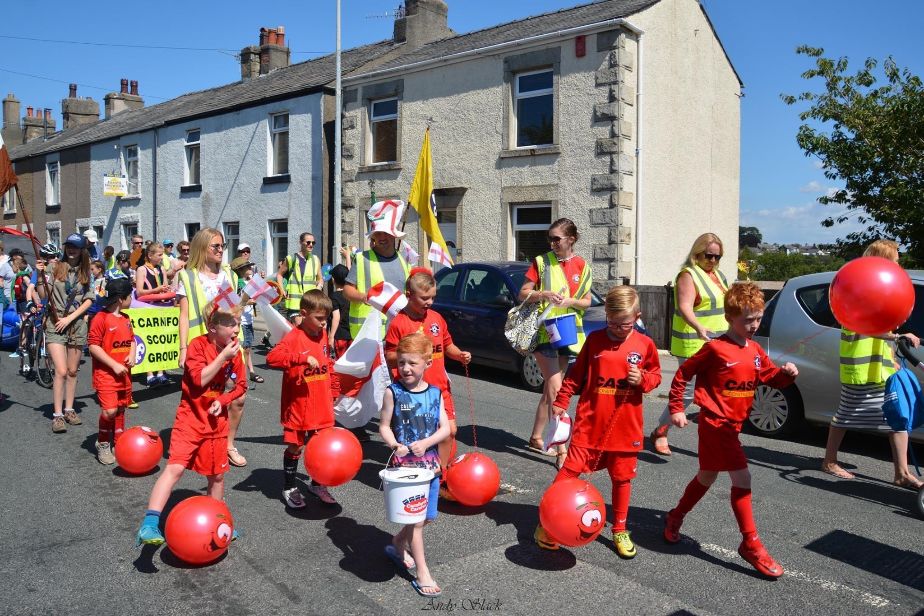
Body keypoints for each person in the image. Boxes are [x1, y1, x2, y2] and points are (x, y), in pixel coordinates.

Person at [663, 282, 798, 578]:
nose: (753, 325)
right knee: (743, 477)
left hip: (733, 426)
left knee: (707, 476)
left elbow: (770, 377)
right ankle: (750, 543)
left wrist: (786, 375)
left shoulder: (755, 349)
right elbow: (683, 374)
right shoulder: (715, 348)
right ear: (729, 318)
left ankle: (675, 516)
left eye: (758, 318)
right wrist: (676, 408)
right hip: (715, 424)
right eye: (747, 319)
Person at [533, 286, 661, 558]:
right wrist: (561, 401)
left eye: (624, 324)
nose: (616, 328)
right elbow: (575, 376)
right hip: (589, 426)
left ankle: (620, 529)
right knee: (568, 473)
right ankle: (549, 522)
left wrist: (644, 380)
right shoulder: (594, 342)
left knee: (622, 479)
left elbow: (656, 377)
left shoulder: (645, 345)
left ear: (637, 317)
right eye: (611, 322)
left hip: (626, 429)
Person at [135, 306, 246, 546]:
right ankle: (150, 525)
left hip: (216, 424)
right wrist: (222, 358)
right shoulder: (197, 346)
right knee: (175, 468)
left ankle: (218, 523)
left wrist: (223, 400)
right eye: (230, 324)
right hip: (191, 420)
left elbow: (241, 386)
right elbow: (198, 381)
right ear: (213, 328)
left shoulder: (236, 352)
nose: (236, 329)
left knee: (217, 476)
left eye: (237, 323)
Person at [821, 240, 922, 489]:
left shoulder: (882, 290)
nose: (899, 266)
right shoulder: (857, 289)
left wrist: (892, 359)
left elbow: (882, 328)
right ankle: (829, 461)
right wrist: (898, 336)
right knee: (846, 415)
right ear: (882, 261)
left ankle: (902, 473)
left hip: (880, 367)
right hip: (860, 368)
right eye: (896, 260)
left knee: (897, 418)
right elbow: (865, 328)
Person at [385, 268, 472, 498]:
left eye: (433, 297)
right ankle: (414, 476)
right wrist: (411, 353)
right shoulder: (399, 323)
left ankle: (441, 475)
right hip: (411, 392)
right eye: (424, 298)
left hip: (439, 388)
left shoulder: (436, 319)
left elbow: (447, 345)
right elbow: (389, 356)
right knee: (415, 437)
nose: (429, 302)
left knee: (450, 431)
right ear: (408, 294)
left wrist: (459, 354)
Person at [379, 332, 451, 598]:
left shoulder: (435, 393)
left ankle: (399, 542)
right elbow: (384, 426)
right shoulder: (393, 392)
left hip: (430, 467)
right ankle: (423, 573)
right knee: (417, 521)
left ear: (427, 363)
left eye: (412, 363)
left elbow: (445, 428)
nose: (405, 368)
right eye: (401, 363)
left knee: (427, 517)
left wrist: (427, 441)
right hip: (405, 471)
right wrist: (395, 444)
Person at [517, 217, 592, 470]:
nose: (552, 243)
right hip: (543, 332)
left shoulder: (583, 266)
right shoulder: (541, 262)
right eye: (550, 238)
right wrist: (543, 294)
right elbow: (523, 293)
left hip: (568, 332)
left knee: (551, 389)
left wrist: (570, 302)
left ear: (571, 239)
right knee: (558, 390)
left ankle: (537, 437)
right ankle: (562, 450)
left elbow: (587, 302)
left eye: (557, 238)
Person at [651, 232, 729, 456]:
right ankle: (661, 431)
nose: (713, 261)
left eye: (717, 257)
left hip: (717, 343)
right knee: (686, 394)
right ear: (697, 253)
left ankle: (714, 439)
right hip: (693, 342)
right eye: (709, 255)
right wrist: (698, 327)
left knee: (716, 394)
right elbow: (685, 307)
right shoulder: (688, 275)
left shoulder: (719, 276)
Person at [176, 228, 249, 467]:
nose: (220, 251)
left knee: (238, 396)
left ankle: (228, 444)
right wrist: (183, 349)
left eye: (222, 246)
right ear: (202, 248)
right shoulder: (187, 276)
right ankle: (199, 441)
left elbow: (232, 309)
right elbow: (184, 316)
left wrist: (248, 298)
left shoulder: (226, 274)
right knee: (201, 397)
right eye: (215, 246)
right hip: (201, 346)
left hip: (228, 345)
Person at [266, 289, 339, 507]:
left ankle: (317, 484)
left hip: (322, 404)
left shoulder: (323, 333)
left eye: (326, 318)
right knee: (296, 447)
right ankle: (289, 487)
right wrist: (300, 359)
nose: (323, 323)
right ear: (303, 313)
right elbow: (272, 358)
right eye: (318, 318)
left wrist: (334, 388)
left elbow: (328, 362)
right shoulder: (294, 337)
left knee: (322, 447)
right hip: (298, 406)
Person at [45, 234, 96, 433]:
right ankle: (57, 415)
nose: (71, 250)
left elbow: (89, 299)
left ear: (82, 249)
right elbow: (44, 296)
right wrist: (41, 278)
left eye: (75, 247)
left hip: (76, 324)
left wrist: (71, 317)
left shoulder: (86, 270)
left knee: (73, 371)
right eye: (68, 246)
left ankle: (69, 409)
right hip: (55, 322)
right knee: (61, 370)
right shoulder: (54, 267)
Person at [342, 200, 412, 340]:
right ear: (372, 236)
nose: (381, 237)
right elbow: (347, 291)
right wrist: (364, 297)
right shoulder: (362, 258)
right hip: (369, 334)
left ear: (394, 235)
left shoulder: (404, 260)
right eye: (378, 233)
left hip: (398, 332)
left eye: (385, 233)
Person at [87, 278, 135, 464]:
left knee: (121, 409)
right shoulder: (100, 318)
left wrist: (132, 354)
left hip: (124, 376)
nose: (132, 300)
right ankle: (103, 442)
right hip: (106, 375)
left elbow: (132, 340)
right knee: (109, 411)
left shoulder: (126, 319)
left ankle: (119, 441)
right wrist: (113, 365)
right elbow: (93, 346)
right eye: (130, 296)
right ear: (121, 299)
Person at [136, 241, 174, 387]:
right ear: (150, 255)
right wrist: (156, 290)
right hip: (146, 308)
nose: (161, 257)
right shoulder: (142, 269)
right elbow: (140, 291)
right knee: (149, 341)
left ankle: (160, 372)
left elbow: (164, 288)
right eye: (159, 255)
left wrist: (166, 289)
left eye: (162, 255)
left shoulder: (162, 269)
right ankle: (149, 374)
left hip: (161, 308)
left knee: (161, 342)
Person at [230, 256, 263, 385]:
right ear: (241, 269)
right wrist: (248, 301)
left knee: (247, 349)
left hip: (247, 319)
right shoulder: (238, 282)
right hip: (241, 320)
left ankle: (248, 373)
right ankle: (242, 376)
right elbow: (234, 301)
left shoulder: (244, 281)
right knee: (244, 349)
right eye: (248, 266)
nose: (250, 268)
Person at [277, 233, 323, 321]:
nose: (311, 245)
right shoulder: (291, 259)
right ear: (301, 242)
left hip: (310, 303)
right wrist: (282, 289)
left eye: (313, 243)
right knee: (297, 330)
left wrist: (319, 287)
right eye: (308, 242)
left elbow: (320, 278)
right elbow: (279, 274)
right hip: (294, 304)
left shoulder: (315, 259)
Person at [328, 263, 352, 398]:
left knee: (340, 364)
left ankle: (341, 391)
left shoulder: (334, 296)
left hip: (340, 335)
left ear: (333, 279)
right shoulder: (350, 294)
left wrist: (331, 336)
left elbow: (335, 317)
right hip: (352, 334)